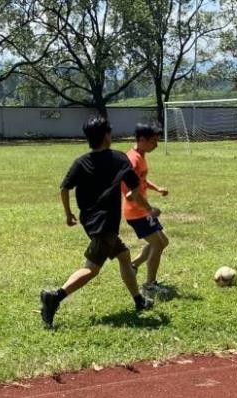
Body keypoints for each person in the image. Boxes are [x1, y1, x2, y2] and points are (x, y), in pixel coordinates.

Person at [40, 115, 159, 328]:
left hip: (91, 221)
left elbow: (64, 188)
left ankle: (139, 301)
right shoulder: (119, 158)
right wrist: (149, 209)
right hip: (106, 225)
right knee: (92, 268)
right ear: (106, 136)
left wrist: (68, 214)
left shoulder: (81, 161)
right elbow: (134, 190)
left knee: (124, 256)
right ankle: (55, 297)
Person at [122, 122, 169, 292]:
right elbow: (130, 193)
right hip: (136, 213)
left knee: (163, 242)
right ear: (142, 139)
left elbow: (141, 181)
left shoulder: (140, 156)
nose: (156, 145)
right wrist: (149, 209)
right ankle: (150, 284)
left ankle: (133, 265)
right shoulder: (133, 160)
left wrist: (157, 188)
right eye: (153, 141)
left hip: (142, 211)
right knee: (158, 244)